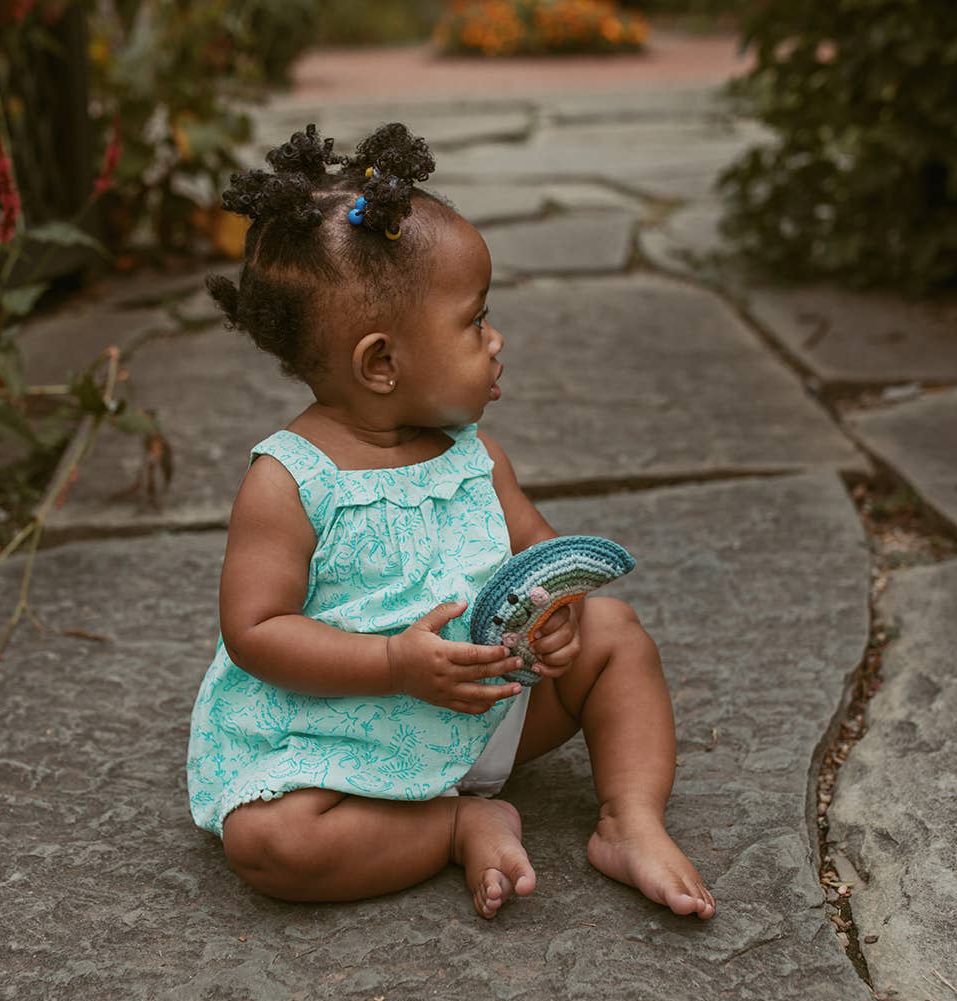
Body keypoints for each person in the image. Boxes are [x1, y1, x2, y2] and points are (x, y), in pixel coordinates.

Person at [186, 123, 714, 921]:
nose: (495, 342)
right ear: (382, 363)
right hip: (343, 743)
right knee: (268, 842)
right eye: (474, 321)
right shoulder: (288, 480)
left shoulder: (473, 456)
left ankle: (630, 818)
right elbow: (256, 629)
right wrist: (394, 664)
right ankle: (450, 823)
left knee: (619, 635)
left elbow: (538, 549)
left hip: (483, 708)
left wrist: (558, 613)